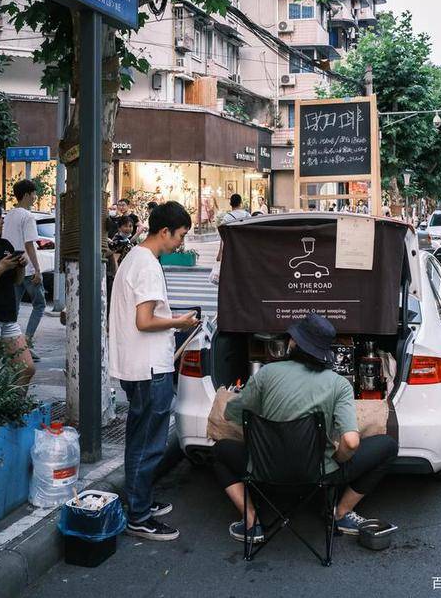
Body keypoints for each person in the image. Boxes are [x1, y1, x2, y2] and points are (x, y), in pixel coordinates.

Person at [213, 313, 398, 543]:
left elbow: (232, 413)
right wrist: (338, 460)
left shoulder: (267, 374)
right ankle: (339, 514)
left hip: (263, 467)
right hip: (319, 472)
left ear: (294, 343)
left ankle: (252, 522)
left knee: (220, 451)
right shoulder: (338, 384)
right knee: (388, 446)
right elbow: (351, 442)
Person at [109, 201, 199, 541]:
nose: (181, 243)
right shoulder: (147, 265)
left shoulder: (134, 257)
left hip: (136, 366)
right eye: (180, 236)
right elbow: (144, 321)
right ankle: (139, 516)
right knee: (150, 444)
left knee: (139, 438)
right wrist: (180, 321)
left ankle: (138, 500)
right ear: (164, 231)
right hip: (149, 368)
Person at [0, 198, 35, 390]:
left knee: (26, 368)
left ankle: (13, 408)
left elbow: (17, 281)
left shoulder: (4, 244)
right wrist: (1, 267)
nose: (2, 220)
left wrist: (21, 266)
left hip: (8, 316)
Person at [2, 179, 45, 361]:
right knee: (40, 304)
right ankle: (26, 343)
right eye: (34, 193)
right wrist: (37, 270)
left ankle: (12, 345)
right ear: (27, 194)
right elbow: (29, 245)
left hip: (11, 266)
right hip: (25, 269)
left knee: (14, 307)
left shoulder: (10, 214)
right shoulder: (27, 216)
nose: (36, 197)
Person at [216, 194, 251, 262]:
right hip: (245, 247)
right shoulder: (247, 215)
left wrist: (220, 253)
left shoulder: (227, 218)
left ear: (230, 203)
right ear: (241, 203)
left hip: (232, 247)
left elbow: (223, 236)